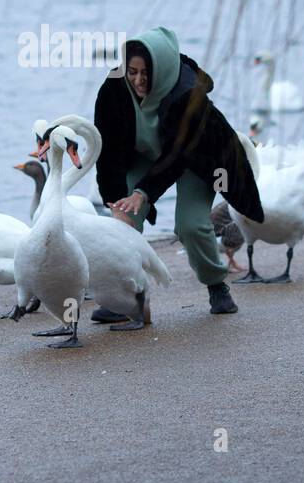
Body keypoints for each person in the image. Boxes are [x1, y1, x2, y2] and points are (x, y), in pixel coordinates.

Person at [94, 26, 264, 316]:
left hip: (196, 158)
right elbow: (106, 150)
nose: (138, 80)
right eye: (132, 71)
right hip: (144, 155)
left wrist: (143, 192)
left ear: (161, 69)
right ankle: (125, 297)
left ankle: (216, 285)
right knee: (122, 222)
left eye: (145, 73)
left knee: (191, 226)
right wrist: (115, 200)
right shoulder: (114, 87)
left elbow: (178, 154)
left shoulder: (187, 94)